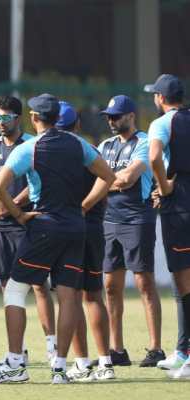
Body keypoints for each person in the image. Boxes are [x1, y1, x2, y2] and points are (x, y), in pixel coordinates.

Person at [0, 94, 115, 384]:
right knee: (69, 296)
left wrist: (17, 215)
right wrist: (84, 206)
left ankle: (15, 365)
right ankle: (60, 369)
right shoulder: (79, 145)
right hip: (76, 227)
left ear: (33, 118)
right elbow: (108, 177)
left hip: (44, 225)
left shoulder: (29, 148)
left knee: (15, 290)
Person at [0, 96, 57, 363]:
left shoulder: (32, 146)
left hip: (27, 223)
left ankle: (52, 345)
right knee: (5, 285)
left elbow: (34, 186)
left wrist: (5, 208)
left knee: (38, 285)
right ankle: (17, 350)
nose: (0, 123)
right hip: (0, 229)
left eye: (6, 117)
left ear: (18, 118)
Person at [92, 96, 164, 368]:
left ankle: (156, 348)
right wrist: (112, 181)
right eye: (109, 116)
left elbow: (128, 178)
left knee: (145, 283)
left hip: (137, 218)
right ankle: (116, 349)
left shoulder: (144, 142)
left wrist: (107, 181)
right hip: (109, 220)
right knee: (110, 286)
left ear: (131, 116)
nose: (111, 121)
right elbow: (107, 179)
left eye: (116, 116)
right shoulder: (105, 145)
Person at [56, 102, 115, 381]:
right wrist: (87, 205)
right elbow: (108, 179)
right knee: (93, 295)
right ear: (76, 124)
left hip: (67, 227)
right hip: (92, 227)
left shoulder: (51, 150)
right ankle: (106, 363)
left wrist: (77, 207)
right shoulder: (87, 148)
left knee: (70, 297)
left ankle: (81, 363)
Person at [145, 74, 190, 378]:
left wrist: (164, 185)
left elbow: (153, 157)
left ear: (160, 98)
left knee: (184, 279)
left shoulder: (161, 123)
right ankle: (183, 350)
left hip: (180, 203)